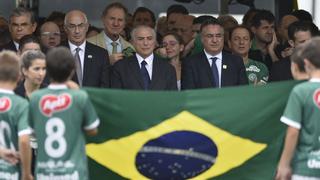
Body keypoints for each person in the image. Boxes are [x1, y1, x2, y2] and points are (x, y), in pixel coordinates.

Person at [29, 46, 99, 180]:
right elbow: (92, 130)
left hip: (45, 173)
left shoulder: (36, 98)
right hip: (73, 172)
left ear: (47, 70)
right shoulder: (79, 97)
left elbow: (31, 132)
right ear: (73, 70)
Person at [275, 37, 320, 180]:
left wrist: (284, 164)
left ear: (305, 63)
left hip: (305, 166)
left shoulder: (301, 91)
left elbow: (293, 131)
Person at [181, 19, 248, 90]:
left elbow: (243, 92)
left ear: (223, 37)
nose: (214, 40)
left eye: (218, 36)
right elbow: (188, 94)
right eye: (210, 36)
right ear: (202, 39)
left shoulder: (236, 61)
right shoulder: (191, 63)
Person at [111, 25, 177, 90]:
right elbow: (116, 97)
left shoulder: (168, 69)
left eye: (149, 38)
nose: (145, 43)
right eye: (140, 39)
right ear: (132, 42)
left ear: (155, 42)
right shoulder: (120, 67)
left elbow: (173, 98)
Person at [0, 50, 32, 180]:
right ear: (19, 76)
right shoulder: (20, 104)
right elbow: (24, 141)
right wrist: (26, 173)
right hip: (10, 172)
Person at [63, 10, 110, 88]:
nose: (77, 31)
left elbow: (104, 89)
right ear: (65, 28)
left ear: (87, 27)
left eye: (81, 26)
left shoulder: (101, 55)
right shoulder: (55, 54)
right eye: (72, 26)